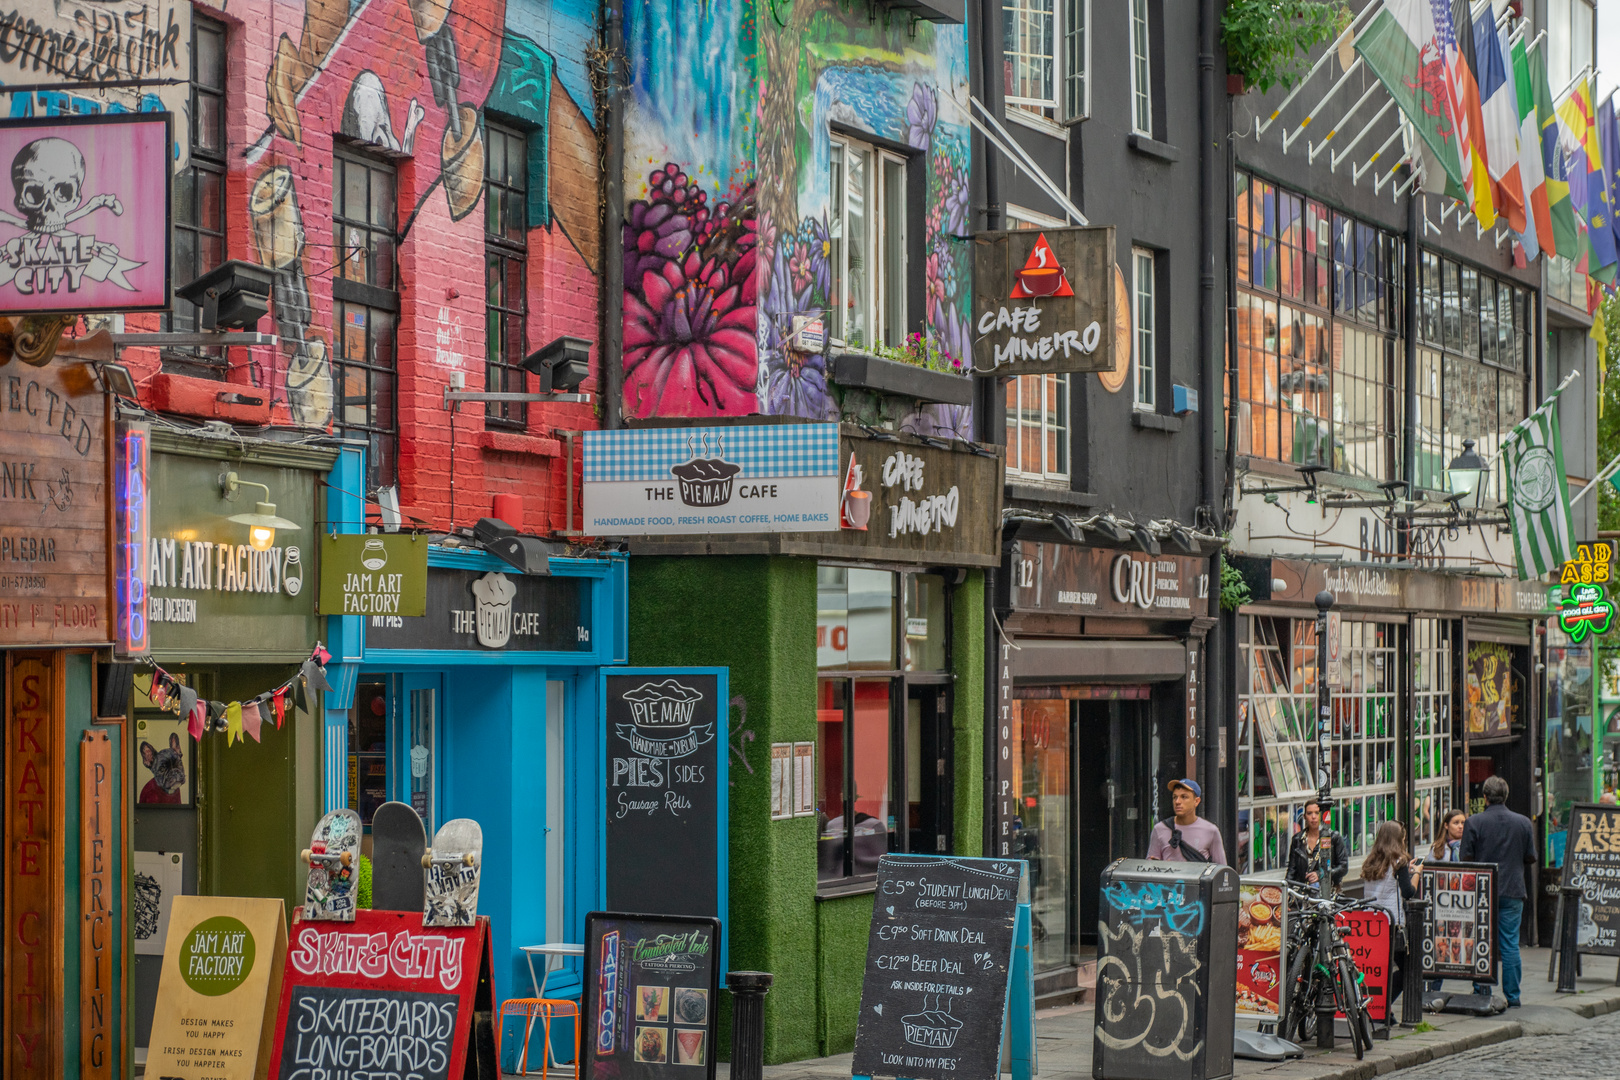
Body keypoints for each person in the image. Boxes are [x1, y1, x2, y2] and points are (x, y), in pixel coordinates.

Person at [1460, 775, 1537, 1007]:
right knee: (1510, 944)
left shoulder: (1474, 822)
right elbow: (1531, 856)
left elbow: (1465, 857)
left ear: (1484, 797)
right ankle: (1513, 997)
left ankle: (1482, 990)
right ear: (1506, 796)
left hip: (1483, 891)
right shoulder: (1523, 822)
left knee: (1481, 940)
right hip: (1512, 890)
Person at [1361, 820, 1421, 1011]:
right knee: (1406, 971)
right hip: (1390, 922)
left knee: (1379, 969)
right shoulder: (1399, 862)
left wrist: (1406, 870)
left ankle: (1379, 1009)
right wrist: (1417, 873)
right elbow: (1408, 892)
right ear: (1399, 838)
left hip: (1370, 922)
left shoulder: (1372, 860)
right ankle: (1384, 1006)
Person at [1424, 808, 1466, 992]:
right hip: (1443, 904)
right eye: (1456, 823)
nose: (1460, 826)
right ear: (1446, 825)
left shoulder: (1468, 846)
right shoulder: (1438, 849)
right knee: (1440, 945)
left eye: (1463, 823)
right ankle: (1434, 987)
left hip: (1463, 904)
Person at [1146, 779, 1227, 865]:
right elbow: (1150, 866)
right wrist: (1160, 865)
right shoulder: (1160, 829)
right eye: (1175, 797)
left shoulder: (1210, 830)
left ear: (1196, 801)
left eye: (1184, 797)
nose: (1177, 802)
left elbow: (1221, 869)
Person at [1286, 799, 1348, 894]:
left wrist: (1321, 874)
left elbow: (1343, 867)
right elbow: (1291, 871)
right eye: (1309, 813)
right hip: (1304, 894)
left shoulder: (1334, 838)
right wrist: (1286, 893)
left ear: (1322, 815)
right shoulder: (1297, 840)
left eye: (1317, 813)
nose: (1313, 817)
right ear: (1304, 817)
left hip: (1328, 893)